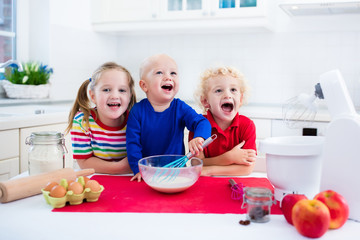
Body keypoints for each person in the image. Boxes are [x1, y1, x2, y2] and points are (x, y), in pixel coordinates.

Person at [126, 54, 211, 182]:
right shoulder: (137, 111)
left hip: (177, 172)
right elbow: (133, 145)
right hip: (149, 172)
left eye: (173, 73)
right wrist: (138, 170)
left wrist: (199, 137)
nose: (168, 77)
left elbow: (202, 122)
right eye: (159, 72)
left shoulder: (180, 107)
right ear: (144, 86)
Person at [65, 62, 136, 174]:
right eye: (106, 90)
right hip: (95, 177)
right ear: (93, 96)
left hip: (130, 178)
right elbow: (84, 162)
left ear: (129, 96)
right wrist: (120, 167)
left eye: (122, 90)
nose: (115, 96)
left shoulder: (137, 121)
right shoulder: (83, 121)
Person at [190, 66, 257, 176]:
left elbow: (247, 169)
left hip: (231, 181)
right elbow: (196, 164)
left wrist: (209, 170)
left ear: (240, 99)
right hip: (207, 183)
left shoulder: (247, 125)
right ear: (205, 101)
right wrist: (229, 158)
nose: (227, 95)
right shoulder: (199, 125)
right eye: (219, 90)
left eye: (233, 90)